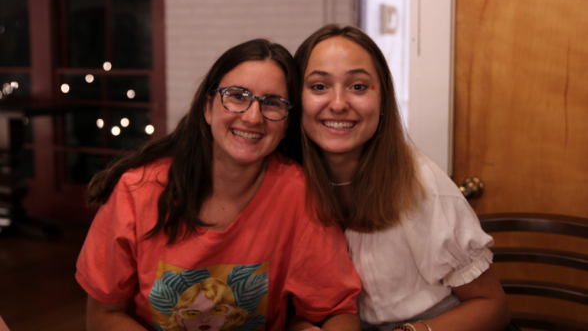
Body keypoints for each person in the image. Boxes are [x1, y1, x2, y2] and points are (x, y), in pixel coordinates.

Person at [76, 39, 361, 331]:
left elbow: (336, 311)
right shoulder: (137, 190)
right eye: (237, 96)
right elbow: (103, 315)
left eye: (272, 103)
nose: (252, 117)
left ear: (286, 123)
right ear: (208, 107)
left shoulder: (300, 195)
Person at [293, 25, 514, 331]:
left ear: (383, 99)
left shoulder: (420, 184)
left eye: (358, 86)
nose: (339, 103)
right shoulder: (287, 181)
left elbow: (493, 307)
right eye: (319, 87)